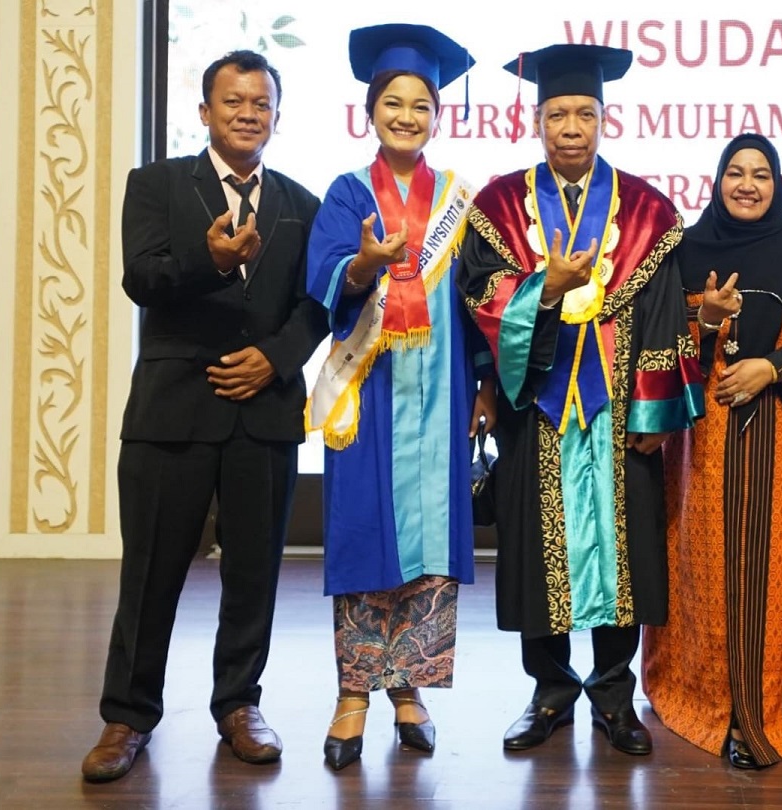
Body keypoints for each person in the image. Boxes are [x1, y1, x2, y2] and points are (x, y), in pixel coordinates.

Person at [81, 50, 329, 782]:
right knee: (151, 573)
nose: (248, 114)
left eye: (261, 104)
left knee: (253, 575)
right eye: (234, 102)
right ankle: (127, 716)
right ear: (204, 112)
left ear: (276, 116)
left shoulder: (303, 203)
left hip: (265, 412)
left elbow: (317, 305)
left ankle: (239, 705)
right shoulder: (156, 184)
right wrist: (211, 260)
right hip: (172, 411)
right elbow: (142, 278)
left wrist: (275, 360)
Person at [456, 44, 704, 756]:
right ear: (535, 120)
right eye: (558, 113)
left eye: (585, 114)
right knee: (538, 553)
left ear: (603, 119)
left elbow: (664, 315)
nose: (571, 127)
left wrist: (654, 412)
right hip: (533, 409)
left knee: (625, 552)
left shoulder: (648, 211)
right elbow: (480, 298)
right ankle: (550, 692)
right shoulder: (499, 207)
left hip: (620, 413)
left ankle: (615, 697)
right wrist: (546, 289)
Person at [305, 24, 495, 771]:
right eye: (394, 103)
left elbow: (479, 303)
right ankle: (354, 692)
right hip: (372, 388)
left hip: (442, 393)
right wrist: (362, 264)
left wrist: (484, 383)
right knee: (364, 531)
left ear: (437, 116)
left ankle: (409, 688)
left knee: (430, 540)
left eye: (421, 105)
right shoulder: (348, 193)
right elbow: (324, 277)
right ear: (370, 112)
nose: (407, 116)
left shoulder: (460, 203)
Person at [641, 133, 782, 769]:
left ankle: (765, 705)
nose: (747, 185)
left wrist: (773, 368)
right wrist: (707, 321)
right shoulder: (686, 248)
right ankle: (709, 697)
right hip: (703, 440)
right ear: (717, 182)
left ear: (778, 184)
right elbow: (659, 341)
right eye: (735, 173)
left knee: (776, 576)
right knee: (705, 570)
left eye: (760, 174)